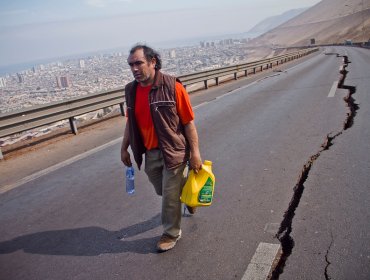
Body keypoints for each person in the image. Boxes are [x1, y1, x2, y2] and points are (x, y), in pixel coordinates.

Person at [120, 44, 202, 252]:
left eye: (139, 63)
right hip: (150, 153)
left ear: (153, 62)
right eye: (131, 64)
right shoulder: (131, 90)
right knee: (162, 190)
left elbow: (188, 123)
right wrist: (124, 148)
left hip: (174, 150)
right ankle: (187, 196)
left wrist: (195, 154)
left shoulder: (172, 86)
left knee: (168, 194)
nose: (134, 68)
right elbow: (130, 123)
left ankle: (171, 233)